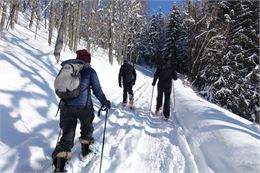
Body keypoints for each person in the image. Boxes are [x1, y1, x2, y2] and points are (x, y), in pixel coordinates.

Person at [52, 49, 111, 172]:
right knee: (87, 127)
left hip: (66, 107)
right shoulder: (90, 71)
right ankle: (85, 151)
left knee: (67, 135)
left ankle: (59, 165)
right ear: (89, 60)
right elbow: (97, 90)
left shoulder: (68, 68)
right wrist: (105, 102)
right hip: (83, 108)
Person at [152, 56, 177, 121]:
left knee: (159, 97)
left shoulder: (160, 66)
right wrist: (173, 72)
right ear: (169, 61)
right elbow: (175, 78)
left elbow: (156, 75)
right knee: (167, 99)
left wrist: (154, 82)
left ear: (164, 60)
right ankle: (166, 115)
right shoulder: (172, 67)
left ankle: (158, 109)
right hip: (168, 86)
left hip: (160, 85)